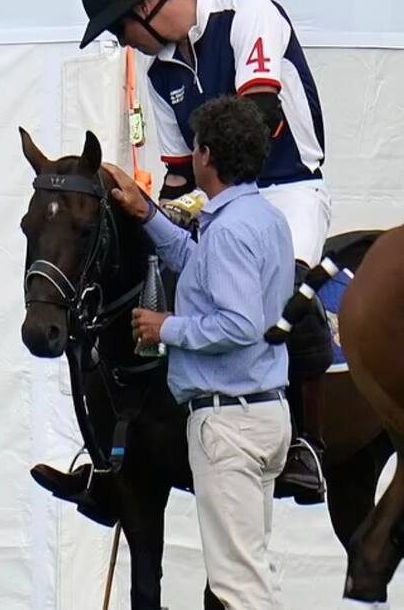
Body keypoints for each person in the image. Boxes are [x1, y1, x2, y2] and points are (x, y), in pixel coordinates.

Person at [33, 0, 330, 504]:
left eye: (121, 27)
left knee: (287, 291)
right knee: (132, 271)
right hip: (216, 201)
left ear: (145, 5)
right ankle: (115, 453)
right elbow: (177, 178)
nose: (125, 43)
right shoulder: (156, 71)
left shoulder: (247, 12)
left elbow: (257, 122)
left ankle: (306, 445)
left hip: (287, 190)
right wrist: (141, 211)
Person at [111, 95, 293, 609]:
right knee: (252, 571)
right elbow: (199, 264)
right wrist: (147, 213)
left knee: (238, 587)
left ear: (207, 156)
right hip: (263, 411)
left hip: (228, 423)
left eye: (194, 147)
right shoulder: (262, 218)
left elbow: (238, 323)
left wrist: (166, 328)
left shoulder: (231, 230)